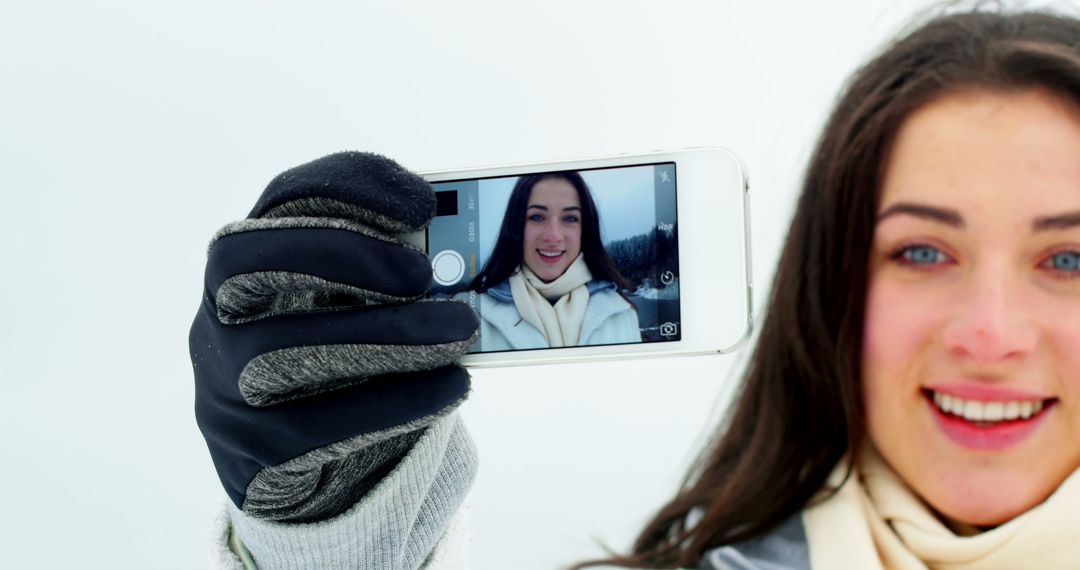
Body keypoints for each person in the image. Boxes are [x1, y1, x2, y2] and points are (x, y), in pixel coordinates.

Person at [190, 5, 1080, 569]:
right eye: (922, 253)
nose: (990, 333)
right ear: (832, 285)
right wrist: (334, 538)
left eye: (1069, 260)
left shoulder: (615, 309)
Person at [457, 171, 642, 351]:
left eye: (570, 218)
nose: (553, 236)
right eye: (537, 217)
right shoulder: (466, 315)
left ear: (584, 231)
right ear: (516, 226)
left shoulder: (622, 314)